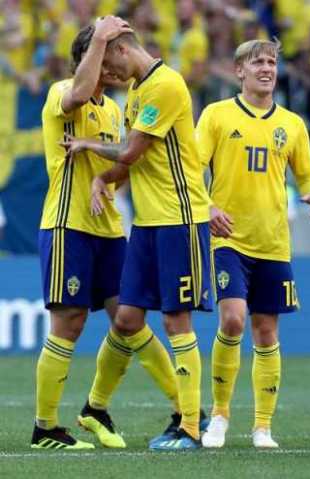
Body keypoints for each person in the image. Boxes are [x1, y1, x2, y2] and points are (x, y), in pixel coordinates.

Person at [63, 25, 221, 451]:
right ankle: (95, 407)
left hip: (179, 219)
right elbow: (135, 163)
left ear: (121, 48)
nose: (106, 73)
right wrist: (105, 178)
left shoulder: (165, 86)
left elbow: (131, 151)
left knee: (175, 320)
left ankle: (190, 425)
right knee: (128, 318)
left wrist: (88, 145)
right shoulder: (137, 91)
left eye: (107, 62)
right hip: (148, 225)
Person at [196, 39, 310, 449]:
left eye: (271, 62)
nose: (266, 68)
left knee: (266, 332)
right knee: (232, 319)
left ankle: (263, 427)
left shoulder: (292, 124)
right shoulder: (217, 116)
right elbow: (194, 168)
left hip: (273, 242)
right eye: (258, 62)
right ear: (240, 71)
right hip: (228, 239)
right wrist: (209, 206)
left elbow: (305, 174)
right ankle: (218, 415)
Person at [32, 17, 135, 450]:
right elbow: (78, 92)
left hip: (110, 228)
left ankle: (95, 407)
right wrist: (100, 36)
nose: (114, 64)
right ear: (87, 56)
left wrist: (109, 178)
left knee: (129, 321)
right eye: (107, 51)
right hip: (67, 225)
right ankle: (45, 427)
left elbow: (126, 165)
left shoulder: (114, 109)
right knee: (68, 323)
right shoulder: (61, 92)